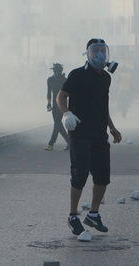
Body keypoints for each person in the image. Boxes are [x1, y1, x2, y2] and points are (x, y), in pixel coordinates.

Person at [56, 38, 122, 237]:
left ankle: (93, 214)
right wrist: (66, 113)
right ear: (88, 54)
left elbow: (104, 105)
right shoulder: (77, 75)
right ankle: (73, 216)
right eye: (95, 51)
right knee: (80, 174)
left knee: (102, 176)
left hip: (99, 134)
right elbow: (61, 97)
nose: (99, 55)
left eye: (103, 51)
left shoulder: (106, 78)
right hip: (80, 133)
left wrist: (112, 128)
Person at [45, 63, 69, 151]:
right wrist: (48, 103)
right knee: (58, 124)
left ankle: (51, 143)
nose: (57, 72)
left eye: (59, 70)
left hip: (63, 104)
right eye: (56, 70)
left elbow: (68, 93)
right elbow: (49, 92)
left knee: (57, 122)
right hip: (54, 104)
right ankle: (70, 142)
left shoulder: (64, 80)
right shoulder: (50, 80)